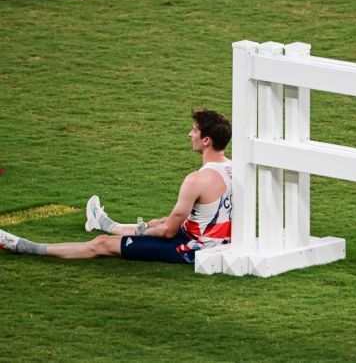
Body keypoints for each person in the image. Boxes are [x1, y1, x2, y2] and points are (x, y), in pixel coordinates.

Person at [0, 109, 232, 264]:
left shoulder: (196, 179)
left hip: (194, 248)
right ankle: (103, 222)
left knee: (102, 245)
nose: (189, 133)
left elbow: (168, 233)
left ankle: (24, 246)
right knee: (158, 222)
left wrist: (142, 233)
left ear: (206, 140)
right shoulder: (234, 168)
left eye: (194, 129)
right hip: (213, 237)